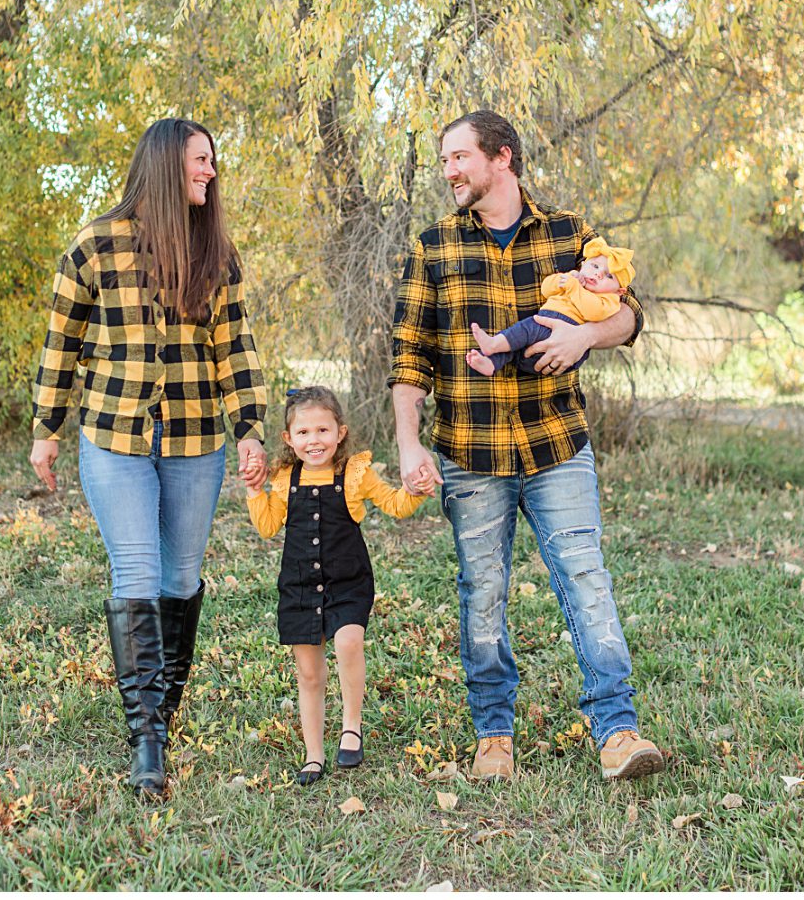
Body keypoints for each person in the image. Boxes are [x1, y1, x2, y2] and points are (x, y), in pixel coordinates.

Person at [390, 109, 665, 783]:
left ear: (501, 156)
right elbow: (408, 357)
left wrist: (581, 338)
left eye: (459, 157)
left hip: (556, 445)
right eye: (445, 160)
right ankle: (493, 735)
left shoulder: (572, 234)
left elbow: (628, 314)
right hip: (469, 452)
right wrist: (406, 445)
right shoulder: (434, 246)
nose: (449, 170)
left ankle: (618, 731)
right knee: (482, 591)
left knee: (587, 581)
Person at [27, 117, 270, 799]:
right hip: (113, 438)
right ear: (166, 164)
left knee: (182, 576)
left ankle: (160, 707)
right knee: (135, 569)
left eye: (213, 161)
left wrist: (250, 427)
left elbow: (237, 349)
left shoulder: (215, 252)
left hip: (197, 440)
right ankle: (147, 742)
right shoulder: (94, 246)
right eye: (200, 160)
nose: (211, 171)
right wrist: (46, 429)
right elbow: (61, 343)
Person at [246, 386, 424, 785]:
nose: (315, 441)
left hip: (348, 581)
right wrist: (255, 489)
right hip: (300, 585)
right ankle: (313, 755)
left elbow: (395, 504)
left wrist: (415, 490)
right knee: (308, 674)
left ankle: (351, 725)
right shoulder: (283, 477)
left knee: (347, 641)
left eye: (323, 430)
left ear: (340, 432)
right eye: (305, 433)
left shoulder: (356, 474)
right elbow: (267, 525)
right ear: (288, 439)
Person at [467, 239, 635, 376]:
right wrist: (565, 278)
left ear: (619, 291)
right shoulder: (573, 279)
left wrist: (573, 287)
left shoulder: (609, 299)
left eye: (609, 276)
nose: (598, 274)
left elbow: (593, 311)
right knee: (515, 347)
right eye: (595, 266)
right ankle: (490, 363)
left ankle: (493, 343)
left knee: (526, 329)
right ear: (583, 265)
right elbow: (546, 289)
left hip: (564, 333)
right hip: (539, 343)